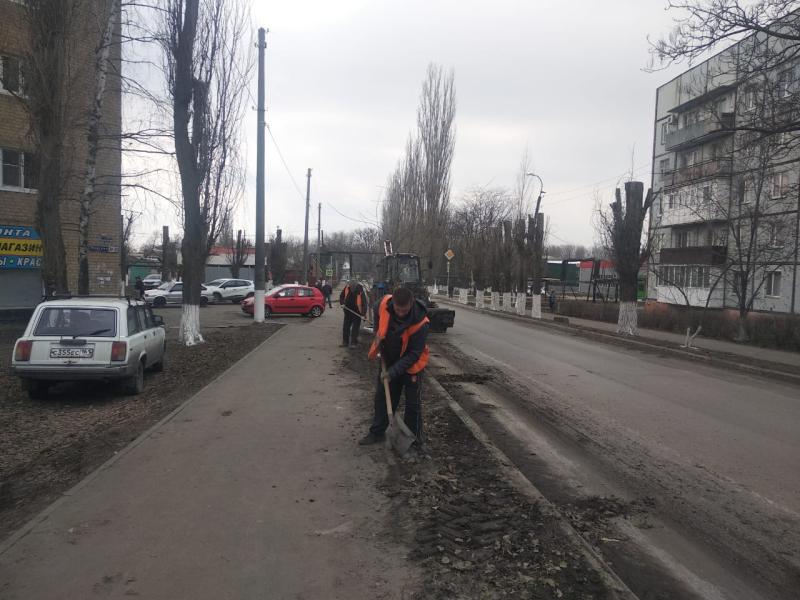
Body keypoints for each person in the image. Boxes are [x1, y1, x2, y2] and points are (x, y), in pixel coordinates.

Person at [359, 286, 429, 447]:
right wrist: (379, 336)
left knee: (413, 404)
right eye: (398, 309)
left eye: (404, 310)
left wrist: (393, 372)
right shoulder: (383, 304)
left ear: (412, 303)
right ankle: (377, 433)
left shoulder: (421, 323)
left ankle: (414, 441)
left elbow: (414, 354)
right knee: (382, 397)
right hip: (389, 359)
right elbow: (377, 317)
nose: (400, 313)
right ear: (394, 304)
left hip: (412, 365)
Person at [339, 281, 367, 348]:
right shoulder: (346, 288)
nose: (352, 290)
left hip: (357, 313)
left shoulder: (360, 291)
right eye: (351, 288)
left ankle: (353, 343)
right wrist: (342, 303)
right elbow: (341, 296)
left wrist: (363, 314)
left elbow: (364, 304)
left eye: (353, 289)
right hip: (348, 311)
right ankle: (345, 342)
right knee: (346, 327)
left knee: (355, 329)